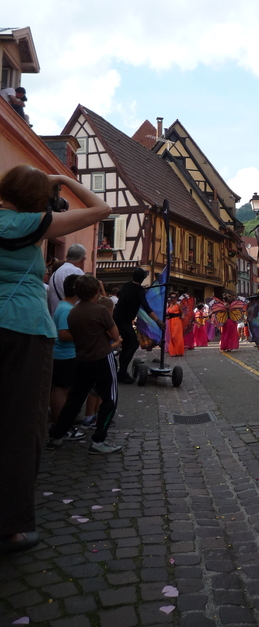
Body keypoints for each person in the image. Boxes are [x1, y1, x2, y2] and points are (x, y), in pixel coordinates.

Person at [0, 165, 110, 554]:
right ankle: (10, 526)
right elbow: (102, 210)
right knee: (21, 425)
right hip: (24, 328)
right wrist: (61, 181)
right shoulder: (33, 223)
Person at [47, 275, 123, 454]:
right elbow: (115, 335)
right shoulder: (100, 311)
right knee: (110, 399)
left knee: (75, 399)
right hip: (102, 357)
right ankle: (98, 440)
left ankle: (57, 435)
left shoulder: (73, 311)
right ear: (96, 292)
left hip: (81, 358)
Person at [113, 267, 165, 382]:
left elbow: (123, 295)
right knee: (133, 344)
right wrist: (157, 320)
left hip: (117, 318)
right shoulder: (139, 290)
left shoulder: (126, 285)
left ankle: (122, 372)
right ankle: (122, 373)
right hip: (124, 320)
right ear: (142, 278)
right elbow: (146, 307)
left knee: (127, 345)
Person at [49, 274, 84, 438]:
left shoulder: (66, 307)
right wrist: (83, 335)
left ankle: (62, 425)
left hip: (66, 354)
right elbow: (63, 334)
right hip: (64, 355)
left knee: (64, 389)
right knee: (61, 390)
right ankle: (61, 426)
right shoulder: (66, 309)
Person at [48, 243, 87, 314]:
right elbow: (84, 297)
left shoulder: (55, 273)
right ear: (83, 259)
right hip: (72, 315)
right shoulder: (77, 272)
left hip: (56, 313)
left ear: (66, 257)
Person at [166, 293, 185, 357]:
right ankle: (173, 352)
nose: (173, 299)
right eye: (172, 298)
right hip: (170, 321)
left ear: (176, 298)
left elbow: (182, 313)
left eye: (174, 297)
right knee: (171, 336)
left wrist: (182, 316)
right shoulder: (170, 305)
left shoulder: (178, 304)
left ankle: (179, 351)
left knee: (176, 336)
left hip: (177, 321)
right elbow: (169, 314)